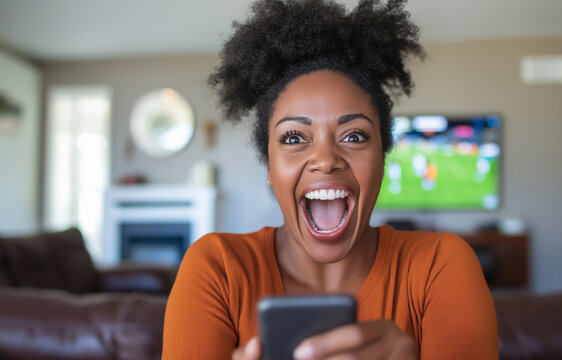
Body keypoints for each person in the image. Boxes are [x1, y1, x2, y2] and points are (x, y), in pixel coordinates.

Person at [162, 0, 498, 359]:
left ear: (383, 160)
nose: (325, 160)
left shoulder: (441, 265)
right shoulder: (217, 269)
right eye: (293, 138)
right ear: (269, 168)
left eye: (354, 136)